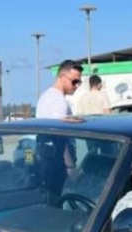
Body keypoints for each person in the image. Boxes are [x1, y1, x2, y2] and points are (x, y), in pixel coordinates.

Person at [35, 60, 83, 203]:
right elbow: (60, 136)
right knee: (61, 199)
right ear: (62, 77)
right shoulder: (59, 102)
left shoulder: (45, 96)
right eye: (74, 81)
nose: (77, 86)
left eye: (79, 82)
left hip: (46, 155)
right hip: (58, 161)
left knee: (51, 198)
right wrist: (70, 166)